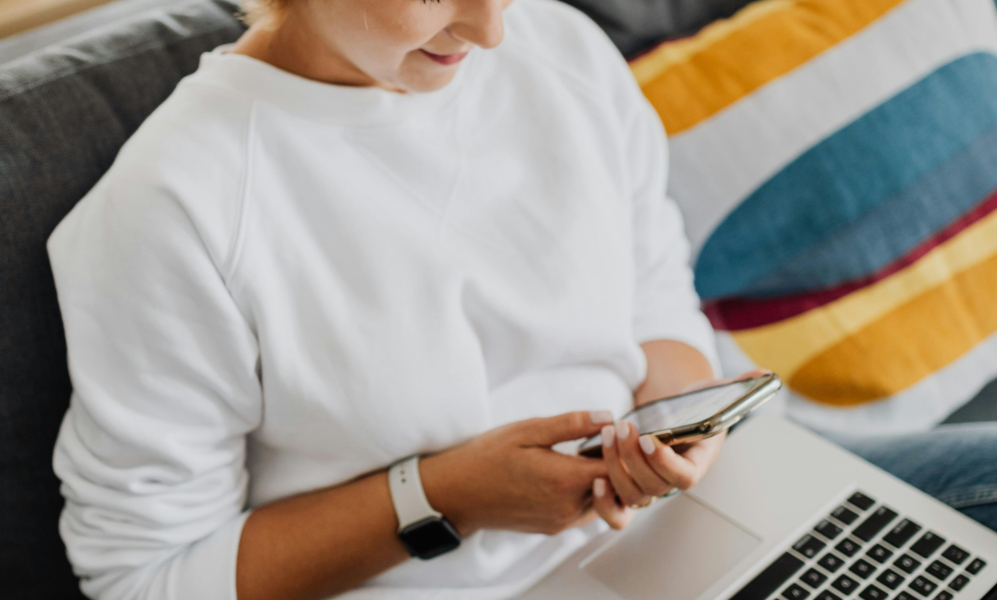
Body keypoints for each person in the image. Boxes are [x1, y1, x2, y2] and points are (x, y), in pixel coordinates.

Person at [46, 1, 997, 600]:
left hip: (701, 509)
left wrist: (682, 420)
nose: (492, 30)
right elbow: (144, 577)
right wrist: (447, 496)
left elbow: (652, 292)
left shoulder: (557, 45)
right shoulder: (176, 209)